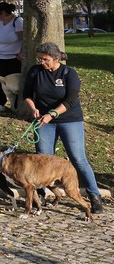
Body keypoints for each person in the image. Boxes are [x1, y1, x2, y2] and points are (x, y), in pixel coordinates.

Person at [23, 42, 104, 214]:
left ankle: (94, 195)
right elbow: (27, 94)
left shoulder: (69, 74)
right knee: (43, 159)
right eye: (40, 59)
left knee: (78, 159)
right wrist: (33, 108)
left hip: (69, 119)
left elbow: (69, 100)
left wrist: (51, 114)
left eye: (45, 60)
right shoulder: (35, 72)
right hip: (44, 121)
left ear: (56, 59)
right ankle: (42, 193)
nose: (42, 63)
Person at [0, 2, 23, 113]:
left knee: (14, 83)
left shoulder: (17, 22)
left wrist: (21, 53)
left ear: (3, 13)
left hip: (13, 59)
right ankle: (0, 103)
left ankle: (16, 105)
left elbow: (24, 39)